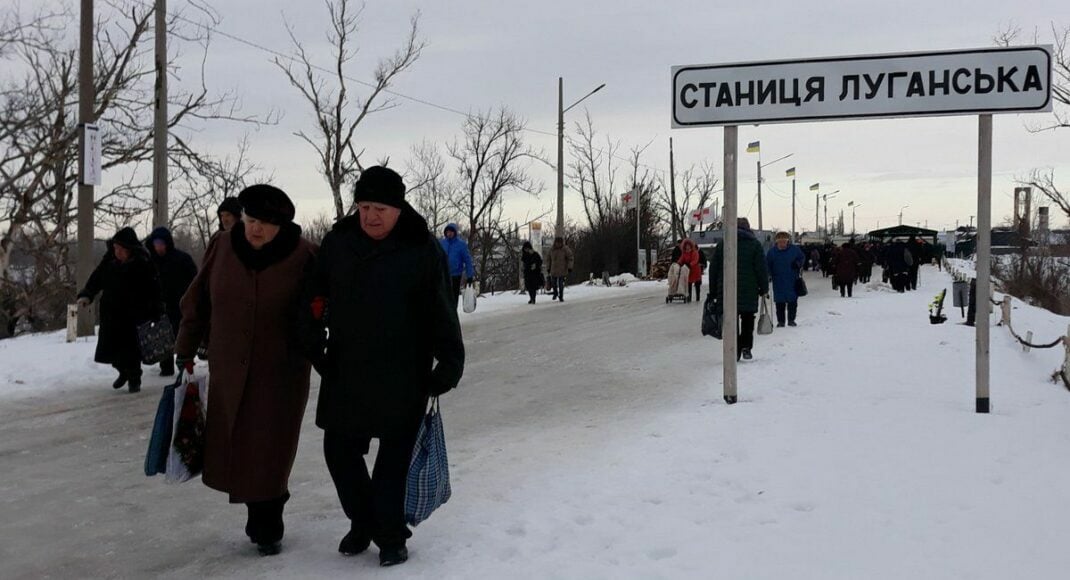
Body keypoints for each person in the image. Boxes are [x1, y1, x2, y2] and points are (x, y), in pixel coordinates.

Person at [303, 166, 465, 568]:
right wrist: (312, 335)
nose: (371, 216)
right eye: (363, 206)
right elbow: (315, 294)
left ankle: (390, 536)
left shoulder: (422, 248)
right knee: (338, 449)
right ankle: (364, 520)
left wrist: (449, 361)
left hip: (403, 370)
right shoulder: (338, 242)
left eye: (380, 208)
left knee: (393, 460)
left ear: (398, 208)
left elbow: (442, 310)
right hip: (346, 365)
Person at [173, 184, 317, 557]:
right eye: (252, 220)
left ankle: (268, 523)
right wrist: (185, 348)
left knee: (270, 449)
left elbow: (331, 304)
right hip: (229, 370)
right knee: (238, 444)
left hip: (280, 371)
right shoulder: (222, 247)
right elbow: (197, 301)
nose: (255, 230)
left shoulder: (304, 256)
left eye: (266, 224)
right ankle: (260, 515)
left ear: (282, 226)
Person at [76, 227, 162, 393]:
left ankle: (134, 379)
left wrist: (156, 310)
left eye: (121, 250)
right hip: (112, 315)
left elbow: (154, 288)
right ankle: (123, 371)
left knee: (132, 350)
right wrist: (87, 294)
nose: (118, 252)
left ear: (130, 250)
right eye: (116, 249)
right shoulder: (109, 262)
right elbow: (97, 278)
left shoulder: (143, 263)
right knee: (112, 350)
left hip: (135, 315)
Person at [709, 218, 769, 361]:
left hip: (727, 290)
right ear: (748, 228)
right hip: (749, 290)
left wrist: (713, 291)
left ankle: (734, 350)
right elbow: (761, 269)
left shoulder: (723, 245)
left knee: (731, 321)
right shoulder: (755, 245)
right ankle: (746, 347)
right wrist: (764, 288)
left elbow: (714, 269)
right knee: (748, 319)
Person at [144, 227, 197, 376]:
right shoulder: (150, 263)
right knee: (163, 337)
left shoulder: (182, 259)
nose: (159, 246)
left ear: (167, 243)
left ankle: (184, 364)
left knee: (182, 336)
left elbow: (195, 279)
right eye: (156, 243)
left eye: (161, 243)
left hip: (180, 304)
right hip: (160, 306)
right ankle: (166, 367)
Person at [765, 231, 805, 327]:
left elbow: (802, 258)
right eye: (780, 242)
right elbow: (767, 265)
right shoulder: (772, 252)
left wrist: (798, 264)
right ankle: (781, 321)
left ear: (788, 241)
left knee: (792, 301)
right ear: (777, 242)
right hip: (778, 280)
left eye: (784, 241)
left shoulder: (794, 250)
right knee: (780, 302)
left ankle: (791, 320)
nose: (782, 244)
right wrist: (768, 274)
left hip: (792, 279)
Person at [439, 223, 475, 307]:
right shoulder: (442, 243)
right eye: (447, 232)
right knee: (443, 297)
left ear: (455, 232)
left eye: (451, 232)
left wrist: (469, 275)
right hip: (443, 274)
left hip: (455, 275)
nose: (449, 233)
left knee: (453, 297)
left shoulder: (461, 245)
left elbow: (467, 260)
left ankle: (453, 314)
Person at [546, 236, 574, 302]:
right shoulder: (552, 249)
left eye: (559, 243)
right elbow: (548, 259)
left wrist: (570, 267)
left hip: (562, 269)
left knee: (561, 284)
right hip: (554, 269)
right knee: (554, 283)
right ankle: (555, 293)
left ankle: (561, 296)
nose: (558, 244)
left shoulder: (565, 249)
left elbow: (570, 258)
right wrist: (548, 267)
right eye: (557, 243)